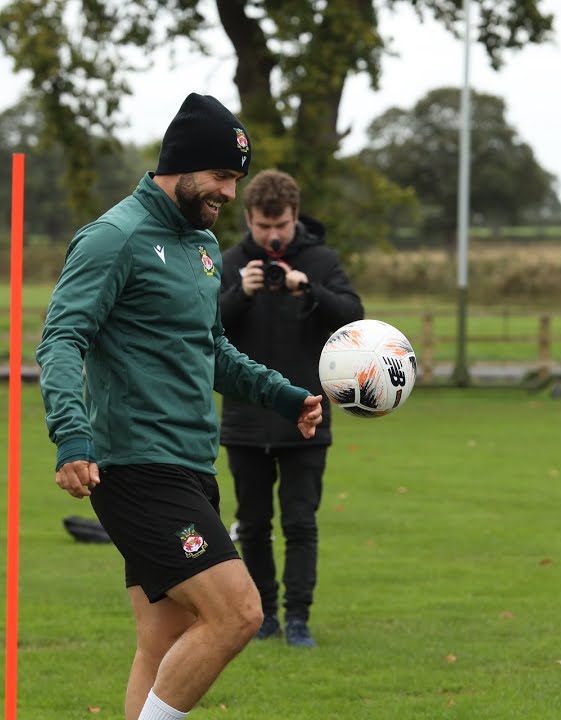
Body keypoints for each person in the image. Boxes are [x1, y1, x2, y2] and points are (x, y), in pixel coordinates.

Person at [35, 93, 325, 720]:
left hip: (192, 465)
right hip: (138, 469)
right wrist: (71, 438)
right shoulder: (114, 237)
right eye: (221, 177)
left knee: (162, 641)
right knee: (240, 612)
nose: (227, 192)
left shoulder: (201, 249)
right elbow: (62, 339)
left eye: (235, 180)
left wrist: (284, 395)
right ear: (183, 165)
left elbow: (212, 349)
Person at [218, 169, 365, 648]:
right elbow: (201, 328)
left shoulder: (320, 261)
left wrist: (308, 289)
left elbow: (354, 316)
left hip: (309, 414)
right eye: (262, 225)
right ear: (248, 219)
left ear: (295, 217)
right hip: (244, 421)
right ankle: (265, 617)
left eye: (280, 223)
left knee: (301, 524)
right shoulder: (229, 263)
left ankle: (298, 618)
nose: (273, 235)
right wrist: (242, 292)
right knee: (254, 525)